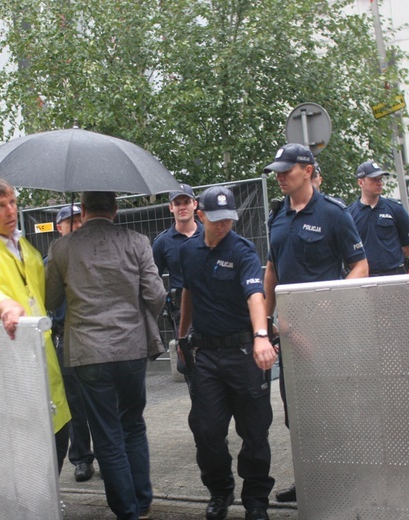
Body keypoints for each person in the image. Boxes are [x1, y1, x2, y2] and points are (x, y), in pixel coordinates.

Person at [45, 191, 166, 520]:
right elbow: (156, 294)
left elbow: (51, 299)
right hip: (131, 348)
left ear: (82, 210)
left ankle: (126, 511)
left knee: (107, 434)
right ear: (115, 209)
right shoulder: (137, 241)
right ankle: (143, 503)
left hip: (87, 353)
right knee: (133, 426)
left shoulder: (61, 248)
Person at [263, 143, 368, 503]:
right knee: (296, 413)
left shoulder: (334, 213)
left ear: (307, 170)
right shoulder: (276, 215)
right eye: (277, 171)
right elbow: (272, 270)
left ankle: (343, 479)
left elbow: (360, 266)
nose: (280, 177)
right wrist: (265, 319)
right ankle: (309, 478)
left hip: (326, 333)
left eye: (286, 171)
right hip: (289, 333)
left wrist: (331, 298)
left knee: (330, 408)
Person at [0, 177, 71, 474]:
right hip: (15, 369)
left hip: (43, 360)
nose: (10, 211)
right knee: (33, 461)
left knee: (57, 444)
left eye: (12, 203)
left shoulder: (18, 244)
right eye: (0, 206)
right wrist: (3, 305)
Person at [177, 186, 277, 520]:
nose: (223, 226)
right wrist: (181, 337)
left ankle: (256, 501)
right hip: (205, 355)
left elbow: (255, 295)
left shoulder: (243, 251)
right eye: (216, 220)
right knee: (206, 432)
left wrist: (261, 336)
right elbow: (188, 293)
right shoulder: (188, 252)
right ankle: (220, 492)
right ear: (201, 215)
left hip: (244, 352)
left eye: (229, 220)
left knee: (254, 432)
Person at [50, 205, 96, 482]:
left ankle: (108, 455)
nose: (77, 225)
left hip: (95, 335)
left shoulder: (96, 257)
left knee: (101, 400)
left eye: (80, 220)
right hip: (66, 336)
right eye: (70, 221)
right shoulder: (52, 260)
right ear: (60, 228)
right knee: (74, 404)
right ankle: (80, 458)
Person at [152, 183, 203, 377]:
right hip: (182, 313)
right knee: (190, 364)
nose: (182, 207)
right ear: (170, 207)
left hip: (211, 307)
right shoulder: (162, 242)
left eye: (186, 202)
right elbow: (151, 277)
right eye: (177, 203)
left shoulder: (209, 234)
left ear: (194, 204)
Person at [348, 160, 409, 276]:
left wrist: (392, 259)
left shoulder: (395, 209)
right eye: (374, 179)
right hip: (366, 277)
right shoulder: (350, 214)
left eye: (380, 179)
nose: (379, 183)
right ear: (361, 183)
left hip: (394, 275)